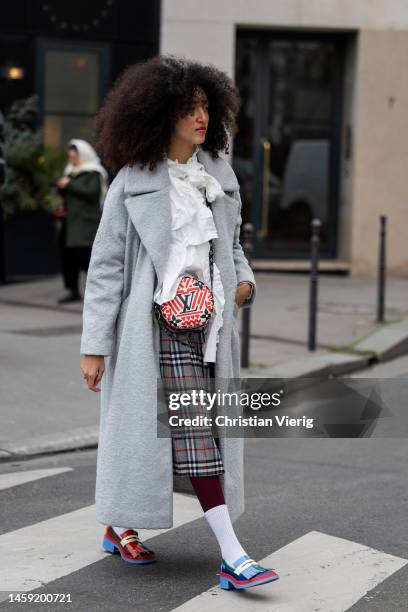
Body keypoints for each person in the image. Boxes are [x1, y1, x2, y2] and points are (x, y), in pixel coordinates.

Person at [80, 55, 279, 590]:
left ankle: (117, 523)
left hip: (209, 326)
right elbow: (104, 270)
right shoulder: (131, 183)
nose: (201, 118)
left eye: (206, 108)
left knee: (175, 433)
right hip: (155, 327)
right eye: (189, 109)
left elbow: (232, 245)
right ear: (158, 113)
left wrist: (244, 282)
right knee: (195, 434)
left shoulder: (217, 176)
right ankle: (234, 557)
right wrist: (94, 345)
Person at [56, 139, 108, 303]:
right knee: (68, 258)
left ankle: (100, 290)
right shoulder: (70, 172)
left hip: (85, 225)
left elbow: (91, 193)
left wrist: (69, 184)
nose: (72, 160)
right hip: (70, 223)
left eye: (75, 156)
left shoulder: (94, 173)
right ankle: (71, 289)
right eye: (70, 157)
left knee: (86, 258)